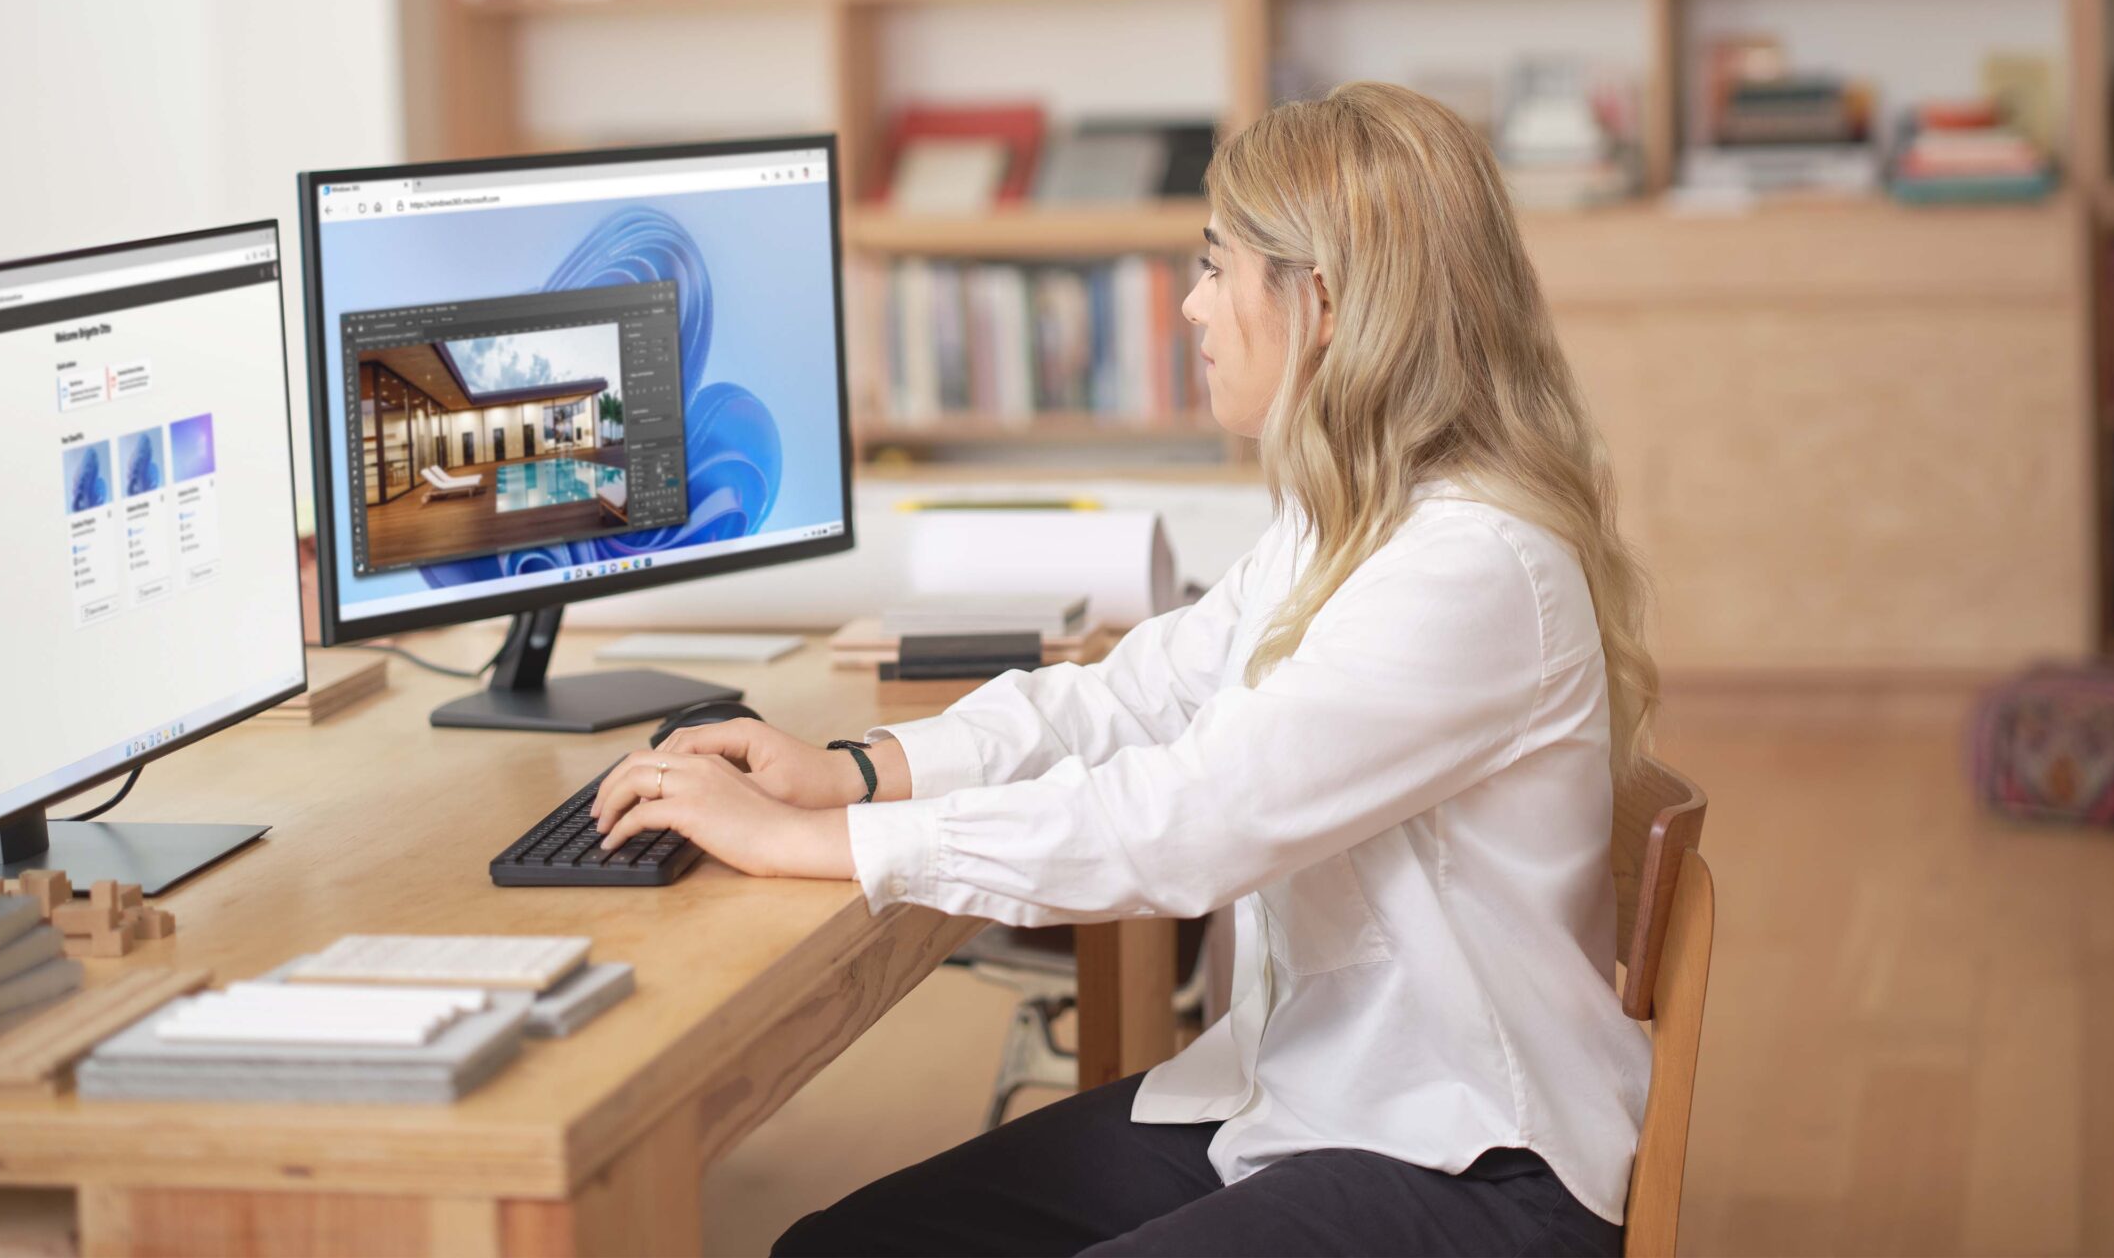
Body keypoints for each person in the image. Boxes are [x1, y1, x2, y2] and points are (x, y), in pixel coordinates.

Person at [593, 82, 1660, 1256]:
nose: (1194, 306)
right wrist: (856, 770)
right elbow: (1134, 694)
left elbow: (1189, 823)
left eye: (1216, 267)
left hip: (1472, 1167)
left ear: (1323, 303)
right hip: (1306, 1103)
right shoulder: (1349, 520)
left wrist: (815, 845)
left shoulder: (1471, 566)